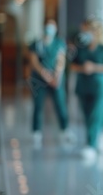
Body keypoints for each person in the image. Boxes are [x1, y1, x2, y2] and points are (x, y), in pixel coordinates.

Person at [70, 19, 103, 160]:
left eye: (87, 30)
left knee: (96, 115)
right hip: (83, 86)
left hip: (100, 87)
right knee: (87, 117)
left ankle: (91, 145)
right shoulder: (80, 48)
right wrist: (83, 68)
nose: (84, 33)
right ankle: (96, 138)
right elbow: (72, 65)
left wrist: (94, 67)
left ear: (95, 32)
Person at [28, 18, 73, 148]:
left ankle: (64, 130)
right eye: (47, 27)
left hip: (56, 79)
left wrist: (56, 76)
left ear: (56, 29)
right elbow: (34, 61)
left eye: (52, 27)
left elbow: (61, 60)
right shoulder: (36, 43)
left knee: (60, 104)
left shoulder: (59, 43)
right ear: (44, 28)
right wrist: (45, 75)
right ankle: (36, 132)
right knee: (38, 105)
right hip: (39, 79)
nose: (49, 30)